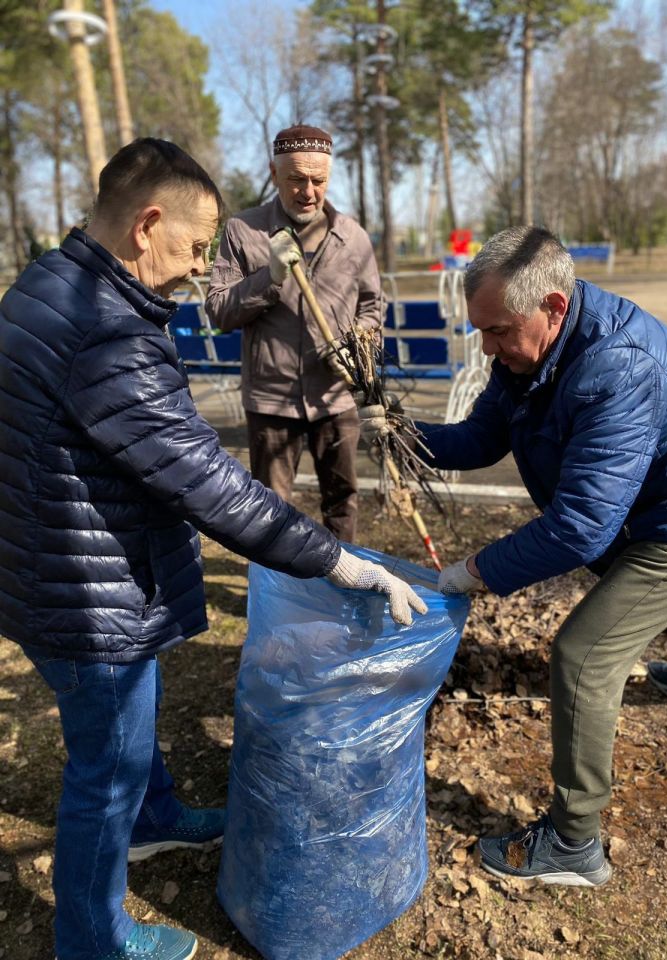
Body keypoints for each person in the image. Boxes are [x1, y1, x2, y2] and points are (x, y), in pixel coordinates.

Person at [0, 138, 426, 960]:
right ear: (145, 225)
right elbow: (208, 484)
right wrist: (340, 560)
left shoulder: (46, 285)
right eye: (195, 249)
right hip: (87, 594)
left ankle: (156, 819)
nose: (199, 270)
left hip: (46, 563)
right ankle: (92, 939)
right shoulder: (108, 333)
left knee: (124, 733)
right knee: (103, 774)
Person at [361, 225, 667, 888]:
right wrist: (405, 439)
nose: (488, 347)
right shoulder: (529, 353)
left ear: (553, 306)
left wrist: (472, 573)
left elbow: (581, 525)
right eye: (481, 332)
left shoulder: (619, 365)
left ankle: (575, 845)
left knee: (585, 655)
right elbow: (480, 437)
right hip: (654, 498)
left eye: (498, 331)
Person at [206, 124, 381, 544]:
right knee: (269, 509)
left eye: (318, 180)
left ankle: (341, 591)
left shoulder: (352, 237)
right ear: (273, 173)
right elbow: (219, 311)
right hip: (271, 399)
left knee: (342, 501)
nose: (308, 191)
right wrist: (269, 276)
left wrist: (359, 341)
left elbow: (373, 307)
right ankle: (274, 597)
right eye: (296, 179)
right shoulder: (243, 231)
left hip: (334, 397)